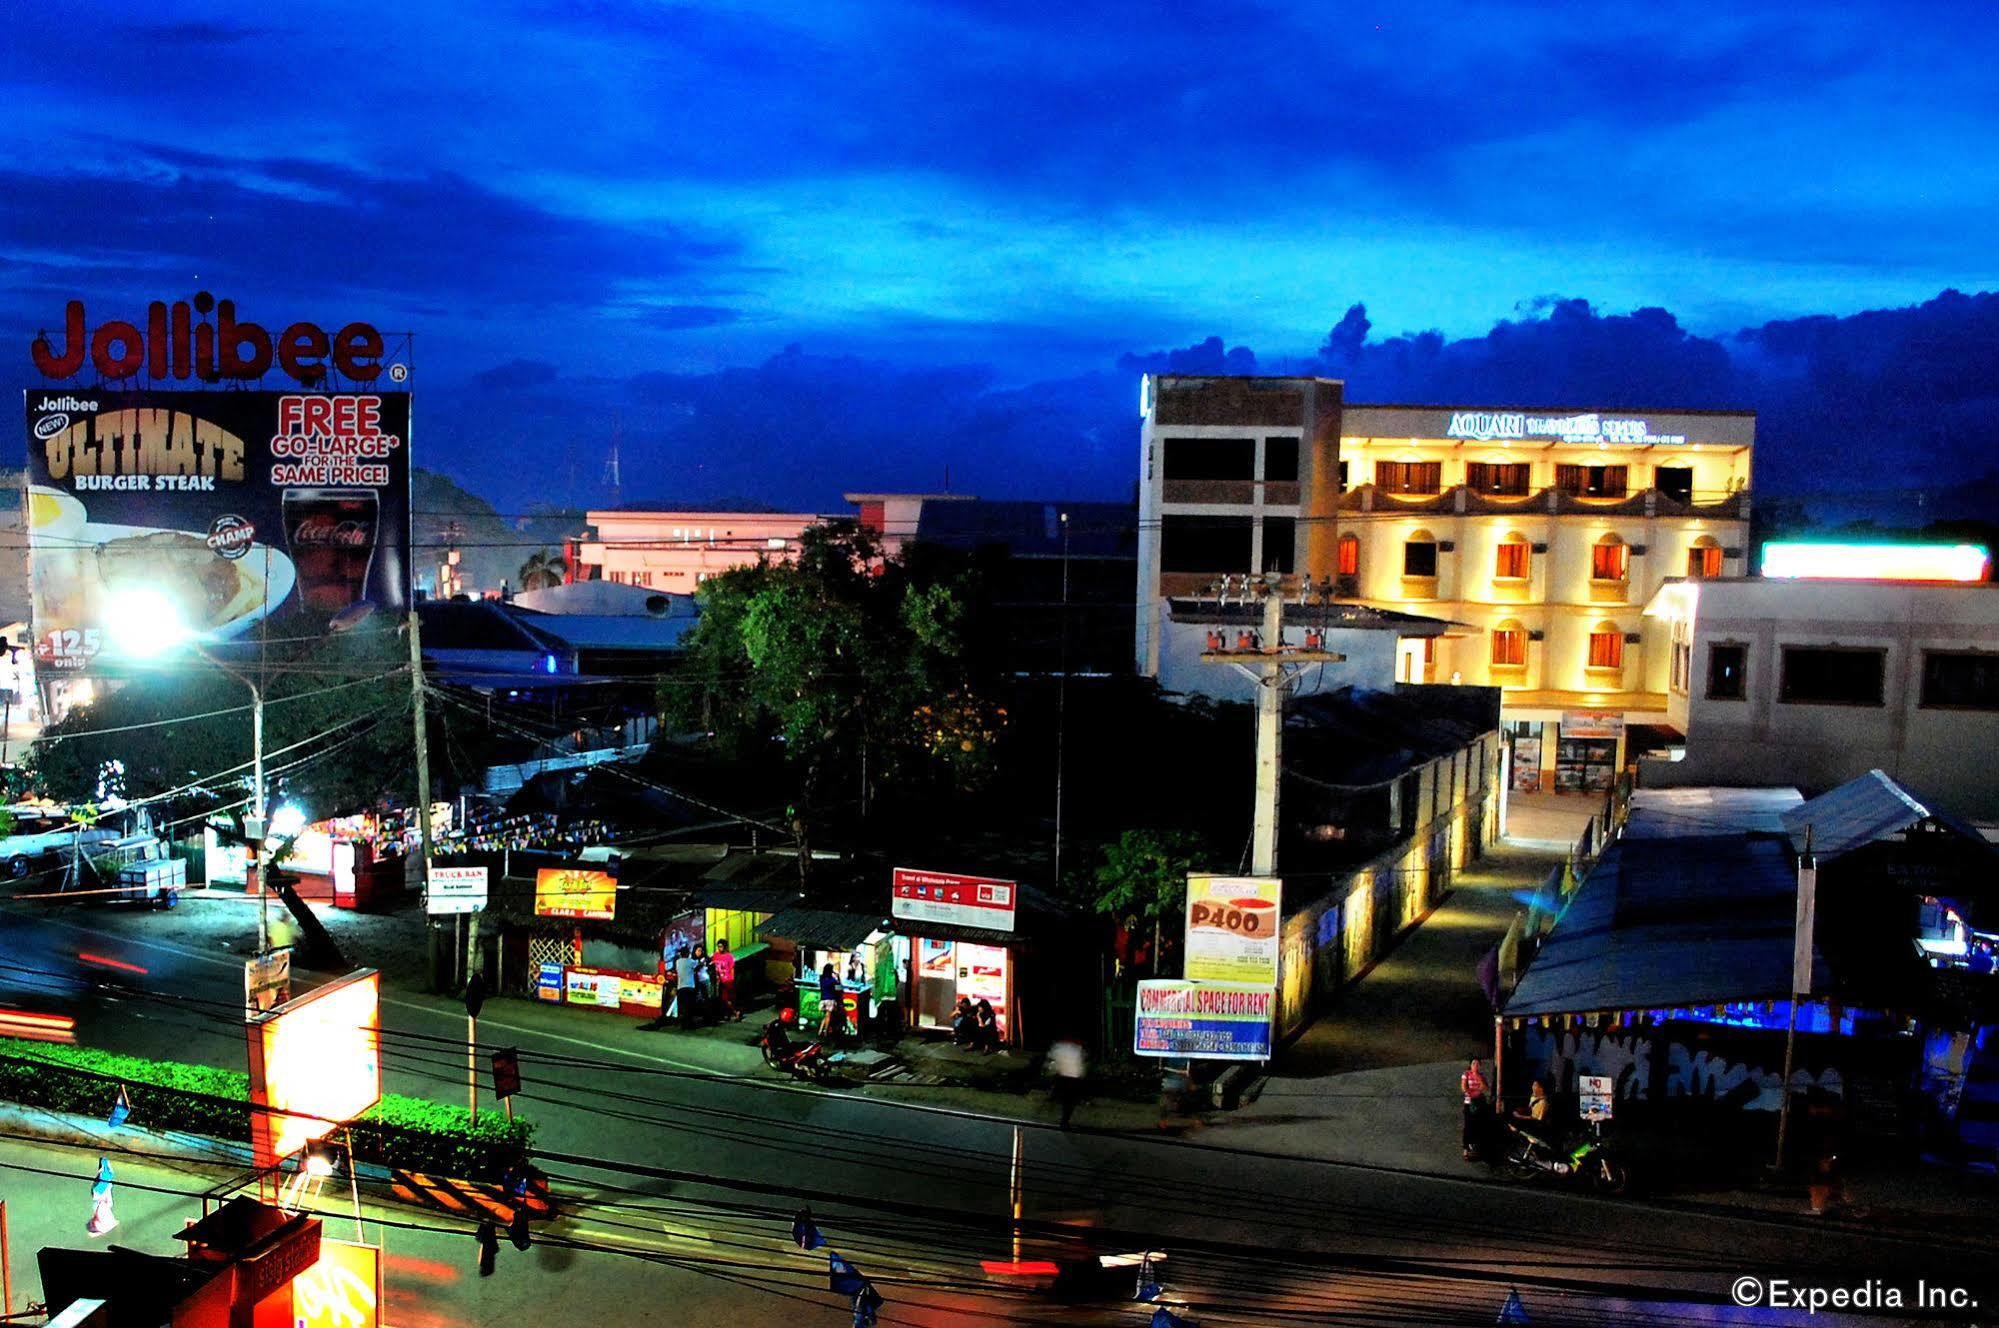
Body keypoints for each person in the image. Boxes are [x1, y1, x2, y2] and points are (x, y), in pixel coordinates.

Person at [1049, 1038, 1086, 1129]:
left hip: (1063, 1077)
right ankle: (1064, 1121)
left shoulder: (1060, 1047)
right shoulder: (1077, 1049)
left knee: (1066, 1101)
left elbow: (1053, 1062)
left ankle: (1063, 1120)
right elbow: (1080, 1065)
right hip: (1072, 1078)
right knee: (1069, 1102)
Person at [1459, 1056, 1491, 1160]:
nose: (1476, 1066)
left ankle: (1477, 1148)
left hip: (1480, 1102)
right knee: (1468, 1125)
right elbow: (1464, 1088)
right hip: (1470, 1102)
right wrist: (1475, 1092)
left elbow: (1485, 1088)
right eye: (1474, 1064)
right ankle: (1465, 1149)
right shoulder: (1466, 1074)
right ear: (1470, 1065)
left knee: (1479, 1125)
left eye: (1478, 1064)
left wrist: (1478, 1078)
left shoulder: (1481, 1076)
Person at [713, 940, 739, 1021]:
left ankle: (735, 1012)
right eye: (718, 946)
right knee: (723, 999)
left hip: (728, 980)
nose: (719, 948)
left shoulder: (729, 956)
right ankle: (730, 1013)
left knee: (729, 998)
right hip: (720, 980)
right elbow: (714, 967)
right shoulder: (715, 955)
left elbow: (732, 969)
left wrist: (731, 979)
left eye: (721, 946)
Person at [673, 946, 698, 1029]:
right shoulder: (691, 961)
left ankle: (683, 1024)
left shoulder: (678, 962)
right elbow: (698, 965)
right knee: (690, 1006)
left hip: (680, 987)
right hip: (690, 986)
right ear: (688, 953)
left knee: (683, 1007)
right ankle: (689, 1024)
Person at [818, 962, 844, 1039]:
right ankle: (825, 1032)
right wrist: (838, 977)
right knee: (828, 1017)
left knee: (826, 1016)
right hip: (830, 1000)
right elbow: (840, 988)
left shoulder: (821, 978)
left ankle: (820, 1031)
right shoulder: (832, 980)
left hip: (823, 999)